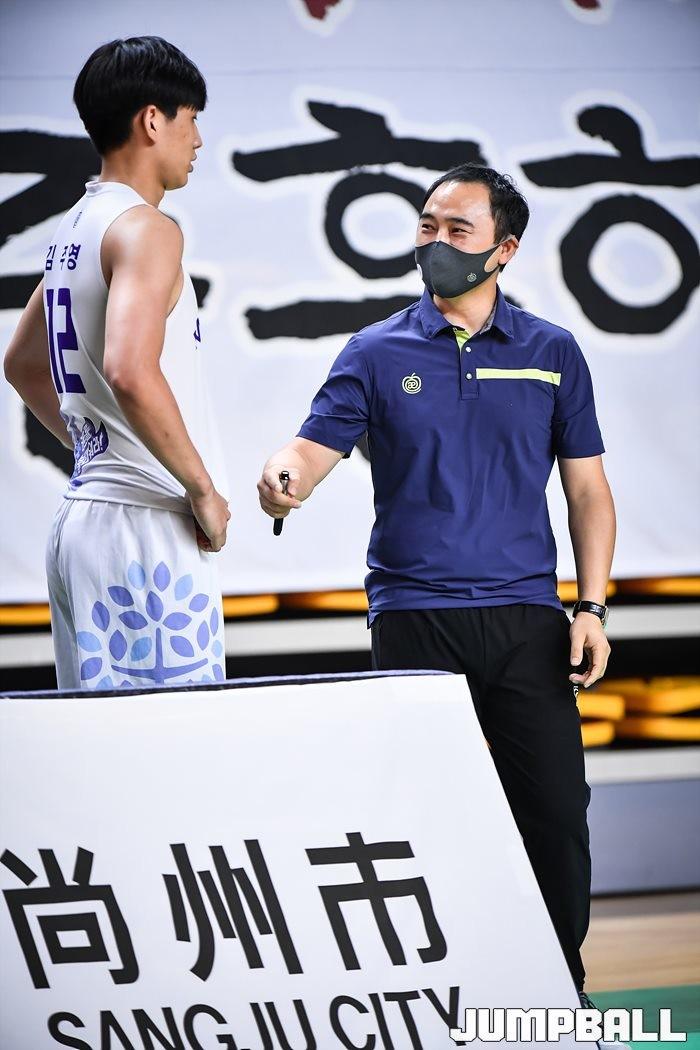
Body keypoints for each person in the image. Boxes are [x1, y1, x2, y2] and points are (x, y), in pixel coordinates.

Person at [257, 163, 616, 995]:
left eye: (458, 230)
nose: (436, 243)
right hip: (414, 617)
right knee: (421, 816)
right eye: (427, 226)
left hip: (528, 620)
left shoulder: (552, 352)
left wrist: (592, 606)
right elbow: (308, 449)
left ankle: (559, 990)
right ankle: (437, 991)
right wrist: (283, 477)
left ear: (504, 250)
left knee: (556, 815)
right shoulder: (375, 351)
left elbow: (588, 492)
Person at [4, 37, 230, 691]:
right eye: (192, 118)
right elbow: (130, 370)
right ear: (153, 119)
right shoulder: (146, 228)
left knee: (108, 740)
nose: (198, 140)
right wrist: (203, 490)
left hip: (84, 523)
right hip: (144, 528)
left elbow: (21, 364)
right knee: (172, 740)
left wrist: (99, 452)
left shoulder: (75, 227)